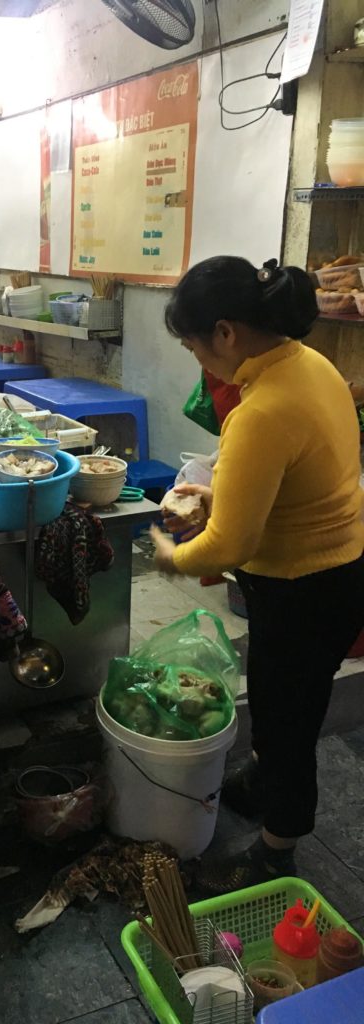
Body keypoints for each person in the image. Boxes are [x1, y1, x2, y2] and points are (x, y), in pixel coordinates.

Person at [151, 255, 364, 893]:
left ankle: (277, 848)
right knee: (284, 700)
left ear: (225, 332)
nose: (198, 360)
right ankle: (262, 780)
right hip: (338, 576)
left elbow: (227, 546)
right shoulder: (311, 365)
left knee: (287, 721)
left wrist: (172, 556)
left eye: (193, 346)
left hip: (302, 591)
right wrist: (222, 498)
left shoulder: (261, 408)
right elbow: (294, 479)